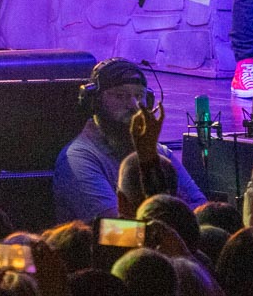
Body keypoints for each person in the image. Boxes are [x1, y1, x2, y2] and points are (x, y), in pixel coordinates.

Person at [52, 58, 205, 224]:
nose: (134, 105)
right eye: (120, 96)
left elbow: (200, 206)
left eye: (139, 96)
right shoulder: (79, 158)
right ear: (95, 102)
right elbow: (116, 226)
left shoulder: (159, 152)